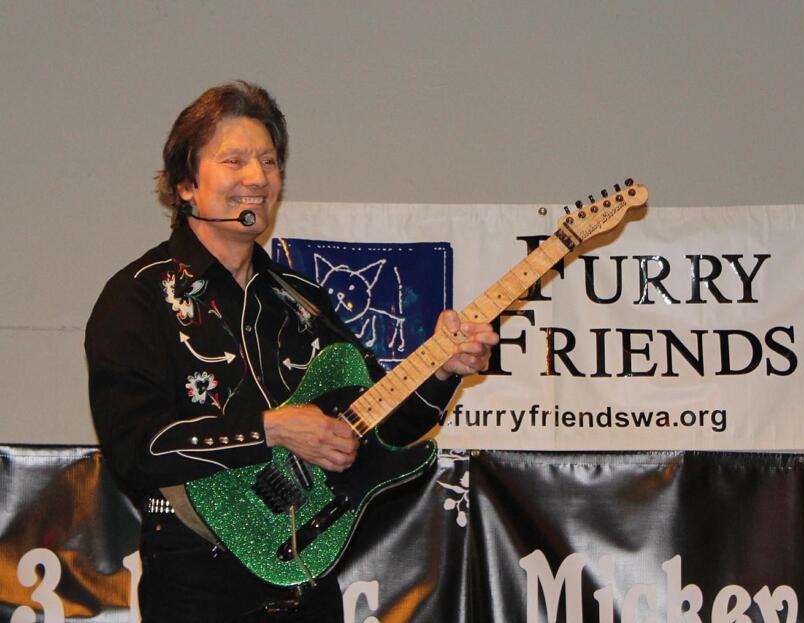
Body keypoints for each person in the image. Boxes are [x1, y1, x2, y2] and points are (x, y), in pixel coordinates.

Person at [85, 81, 498, 621]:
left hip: (307, 570)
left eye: (268, 161)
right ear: (186, 184)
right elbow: (133, 449)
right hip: (194, 571)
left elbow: (385, 429)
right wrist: (272, 430)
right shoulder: (138, 295)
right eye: (234, 161)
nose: (257, 178)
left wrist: (443, 372)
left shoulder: (302, 300)